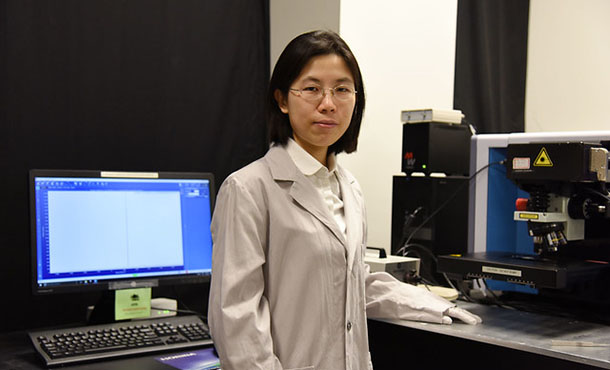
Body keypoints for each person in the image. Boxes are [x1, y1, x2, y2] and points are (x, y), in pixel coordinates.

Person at [208, 30, 481, 370]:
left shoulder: (349, 187)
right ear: (281, 99)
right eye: (311, 89)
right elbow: (236, 320)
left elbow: (354, 283)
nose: (328, 103)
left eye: (342, 89)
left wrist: (433, 305)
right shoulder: (248, 189)